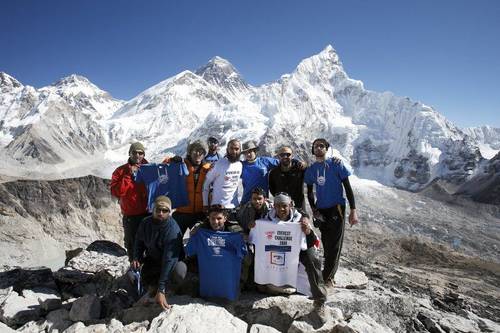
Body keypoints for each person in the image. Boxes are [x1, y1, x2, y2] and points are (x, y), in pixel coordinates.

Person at [249, 193, 327, 306]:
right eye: (278, 206)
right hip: (275, 252)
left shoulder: (300, 220)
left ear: (290, 205)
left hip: (296, 252)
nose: (281, 209)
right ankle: (260, 283)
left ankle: (320, 299)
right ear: (274, 206)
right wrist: (253, 226)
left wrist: (307, 232)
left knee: (312, 258)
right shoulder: (266, 219)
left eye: (284, 206)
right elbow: (256, 241)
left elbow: (311, 242)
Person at [304, 138, 359, 286]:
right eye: (316, 146)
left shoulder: (336, 164)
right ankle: (329, 275)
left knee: (334, 245)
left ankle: (326, 278)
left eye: (322, 146)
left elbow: (347, 188)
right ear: (313, 150)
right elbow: (309, 192)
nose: (319, 148)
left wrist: (353, 210)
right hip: (322, 210)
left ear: (327, 148)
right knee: (327, 243)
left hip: (336, 208)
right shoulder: (312, 169)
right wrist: (314, 210)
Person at [132, 196, 186, 310]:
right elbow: (139, 241)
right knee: (141, 274)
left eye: (165, 210)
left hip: (170, 262)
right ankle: (153, 288)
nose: (161, 213)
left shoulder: (172, 230)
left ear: (169, 212)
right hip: (154, 259)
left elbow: (169, 260)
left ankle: (167, 290)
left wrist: (162, 289)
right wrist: (137, 257)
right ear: (153, 209)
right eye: (158, 210)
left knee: (180, 271)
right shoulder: (145, 223)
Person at [186, 206, 247, 301]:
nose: (215, 222)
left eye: (219, 218)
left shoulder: (235, 232)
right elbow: (189, 252)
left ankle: (242, 284)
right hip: (208, 287)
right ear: (208, 218)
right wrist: (194, 234)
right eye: (212, 218)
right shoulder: (201, 231)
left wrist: (243, 238)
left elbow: (245, 255)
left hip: (229, 284)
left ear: (225, 218)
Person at [110, 142, 149, 263]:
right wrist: (128, 175)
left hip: (148, 214)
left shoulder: (150, 168)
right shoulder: (120, 171)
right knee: (132, 246)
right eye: (135, 152)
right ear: (130, 153)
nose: (137, 155)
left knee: (149, 244)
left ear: (143, 154)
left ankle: (149, 272)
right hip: (131, 216)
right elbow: (116, 192)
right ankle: (135, 271)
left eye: (140, 153)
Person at [162, 140, 211, 235]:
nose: (198, 153)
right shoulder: (181, 164)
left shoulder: (208, 168)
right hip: (181, 212)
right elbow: (164, 167)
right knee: (174, 240)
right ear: (190, 152)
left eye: (201, 151)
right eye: (195, 150)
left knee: (199, 240)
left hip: (200, 213)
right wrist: (171, 160)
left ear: (204, 154)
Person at [202, 139, 242, 209]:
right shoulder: (218, 164)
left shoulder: (240, 165)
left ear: (240, 150)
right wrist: (205, 204)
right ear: (227, 149)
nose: (234, 151)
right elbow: (206, 184)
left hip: (234, 207)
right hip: (218, 208)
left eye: (236, 149)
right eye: (231, 148)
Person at [240, 140, 279, 205]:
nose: (248, 154)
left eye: (250, 151)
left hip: (263, 200)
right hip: (247, 201)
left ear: (255, 151)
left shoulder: (265, 161)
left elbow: (282, 163)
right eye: (245, 153)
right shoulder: (241, 165)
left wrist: (297, 163)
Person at [269, 146, 306, 210]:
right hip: (281, 208)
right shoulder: (273, 173)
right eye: (282, 155)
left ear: (292, 156)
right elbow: (272, 189)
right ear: (278, 156)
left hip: (299, 207)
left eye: (288, 154)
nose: (285, 157)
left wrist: (305, 164)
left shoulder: (299, 169)